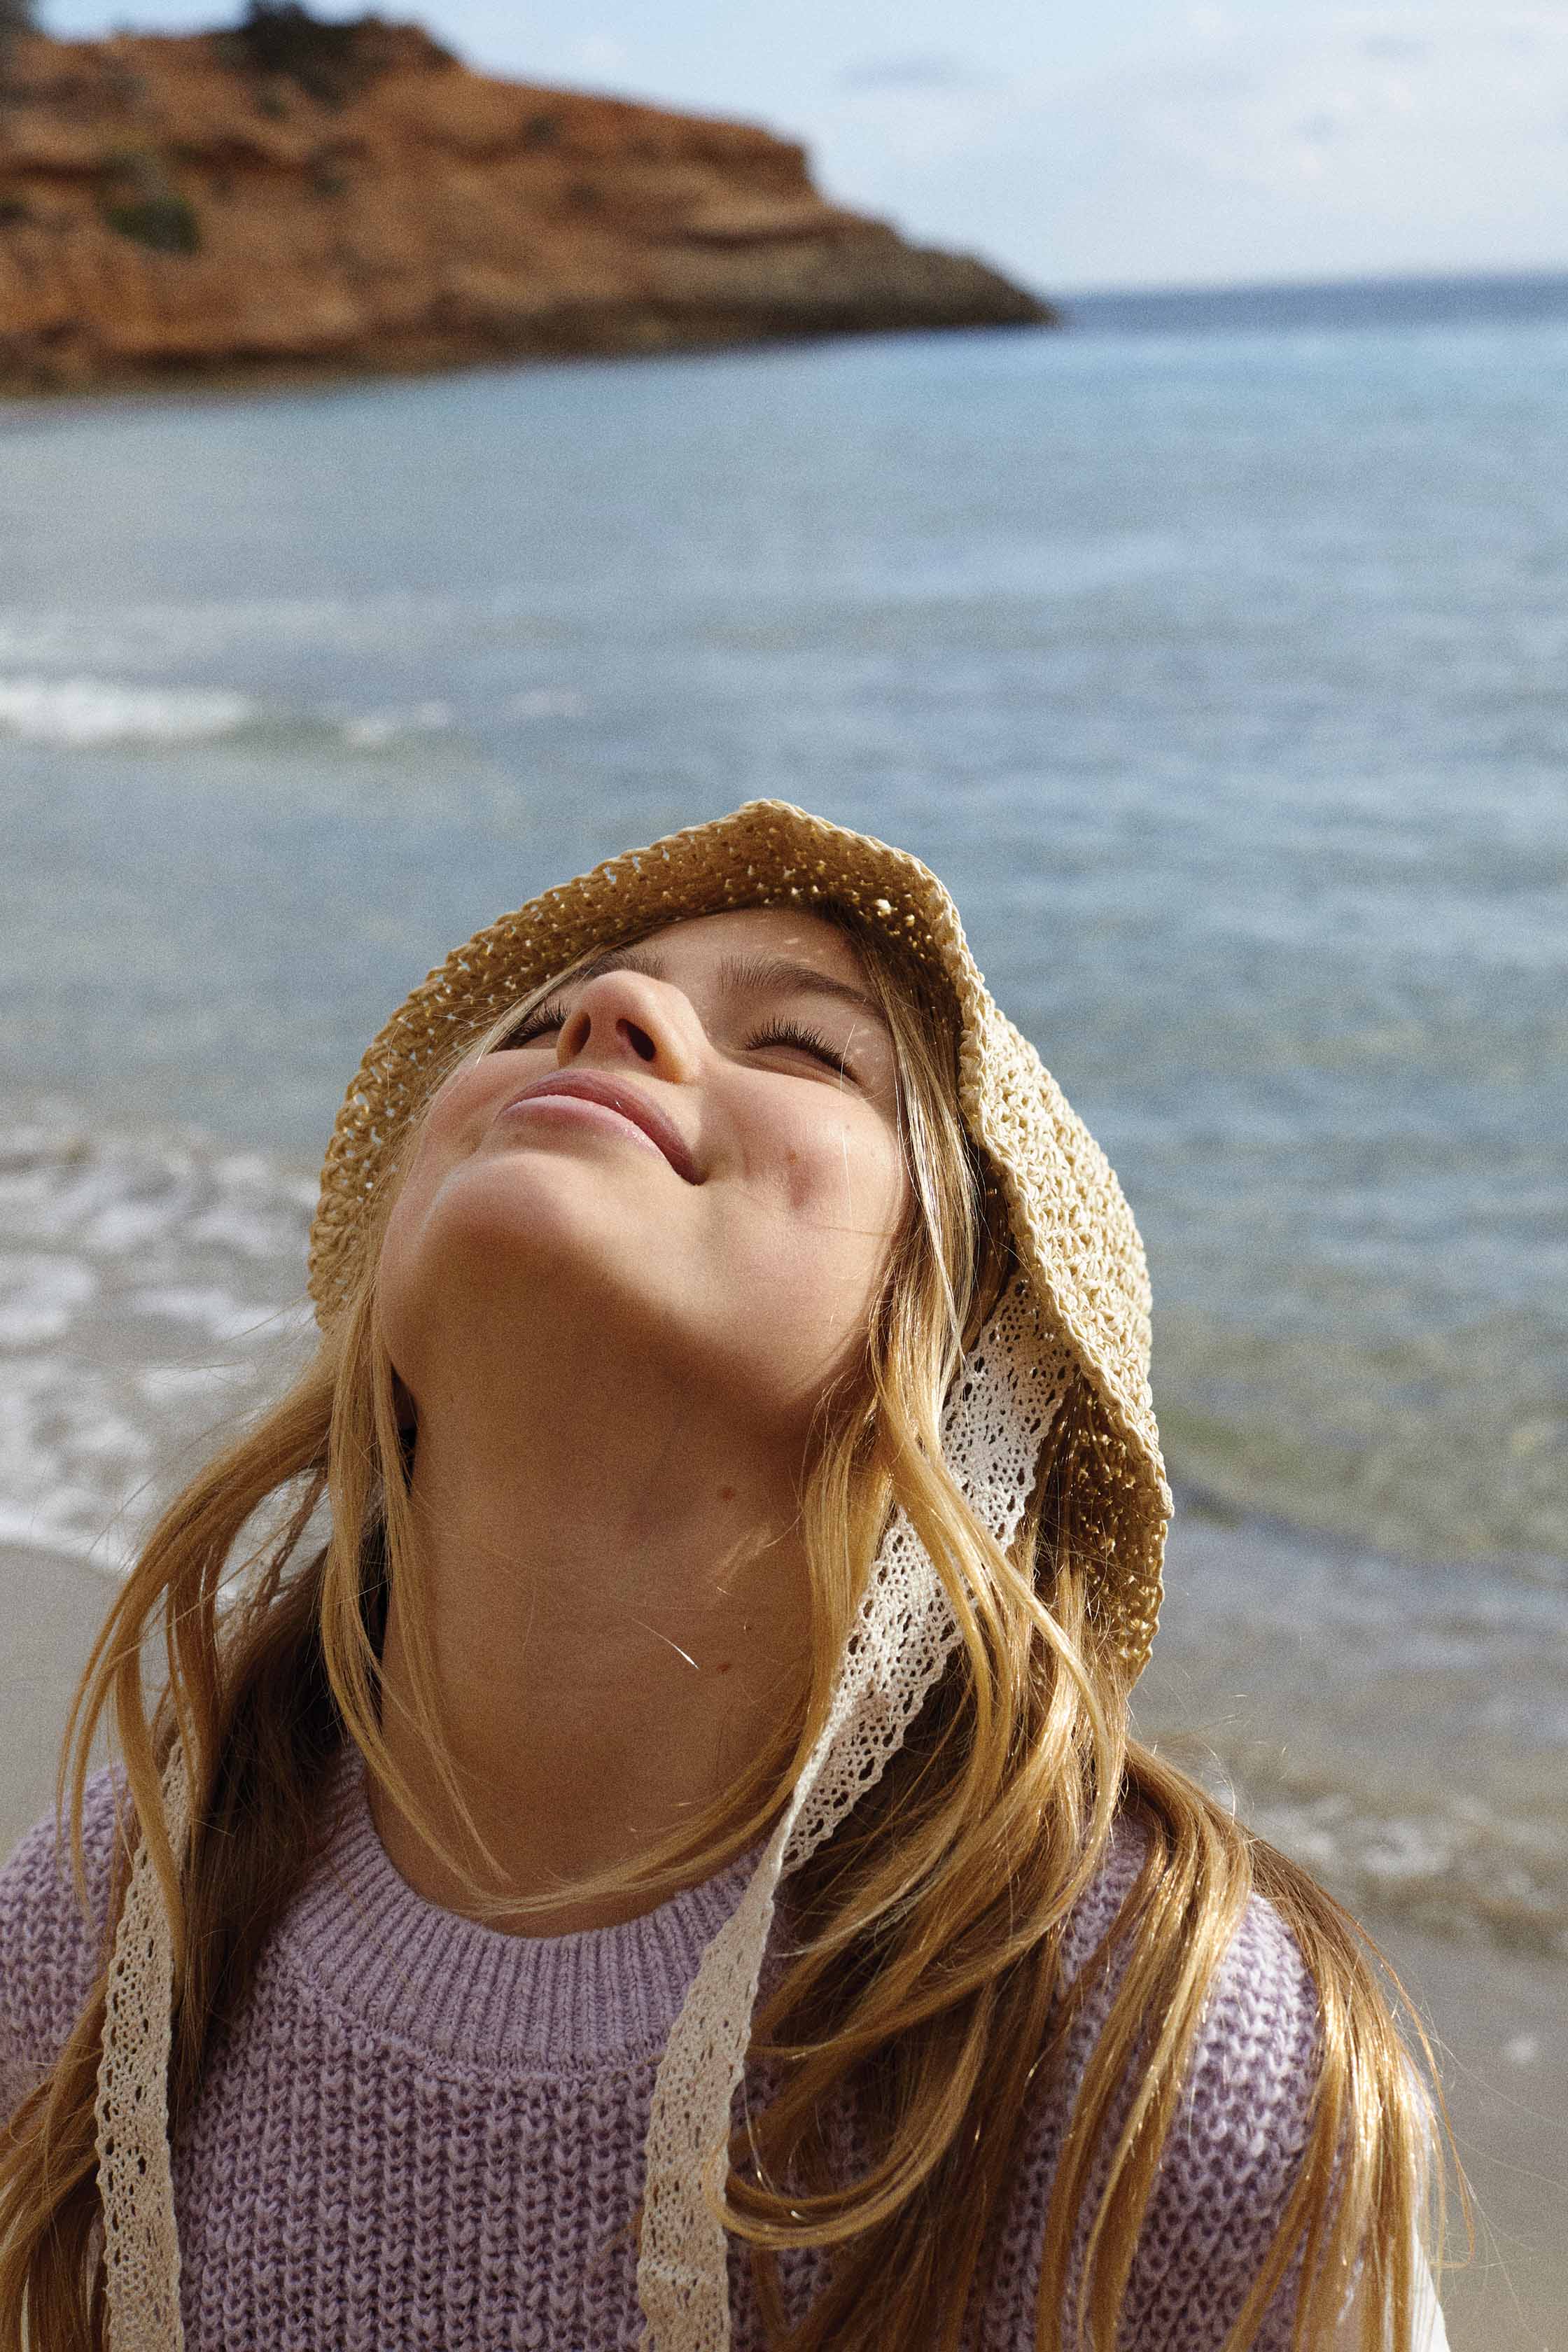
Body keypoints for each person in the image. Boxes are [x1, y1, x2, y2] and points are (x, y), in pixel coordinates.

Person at [0, 801, 1451, 2351]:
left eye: (803, 1049)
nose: (611, 1012)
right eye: (541, 1022)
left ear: (973, 1372)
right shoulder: (116, 1916)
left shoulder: (1159, 2051)